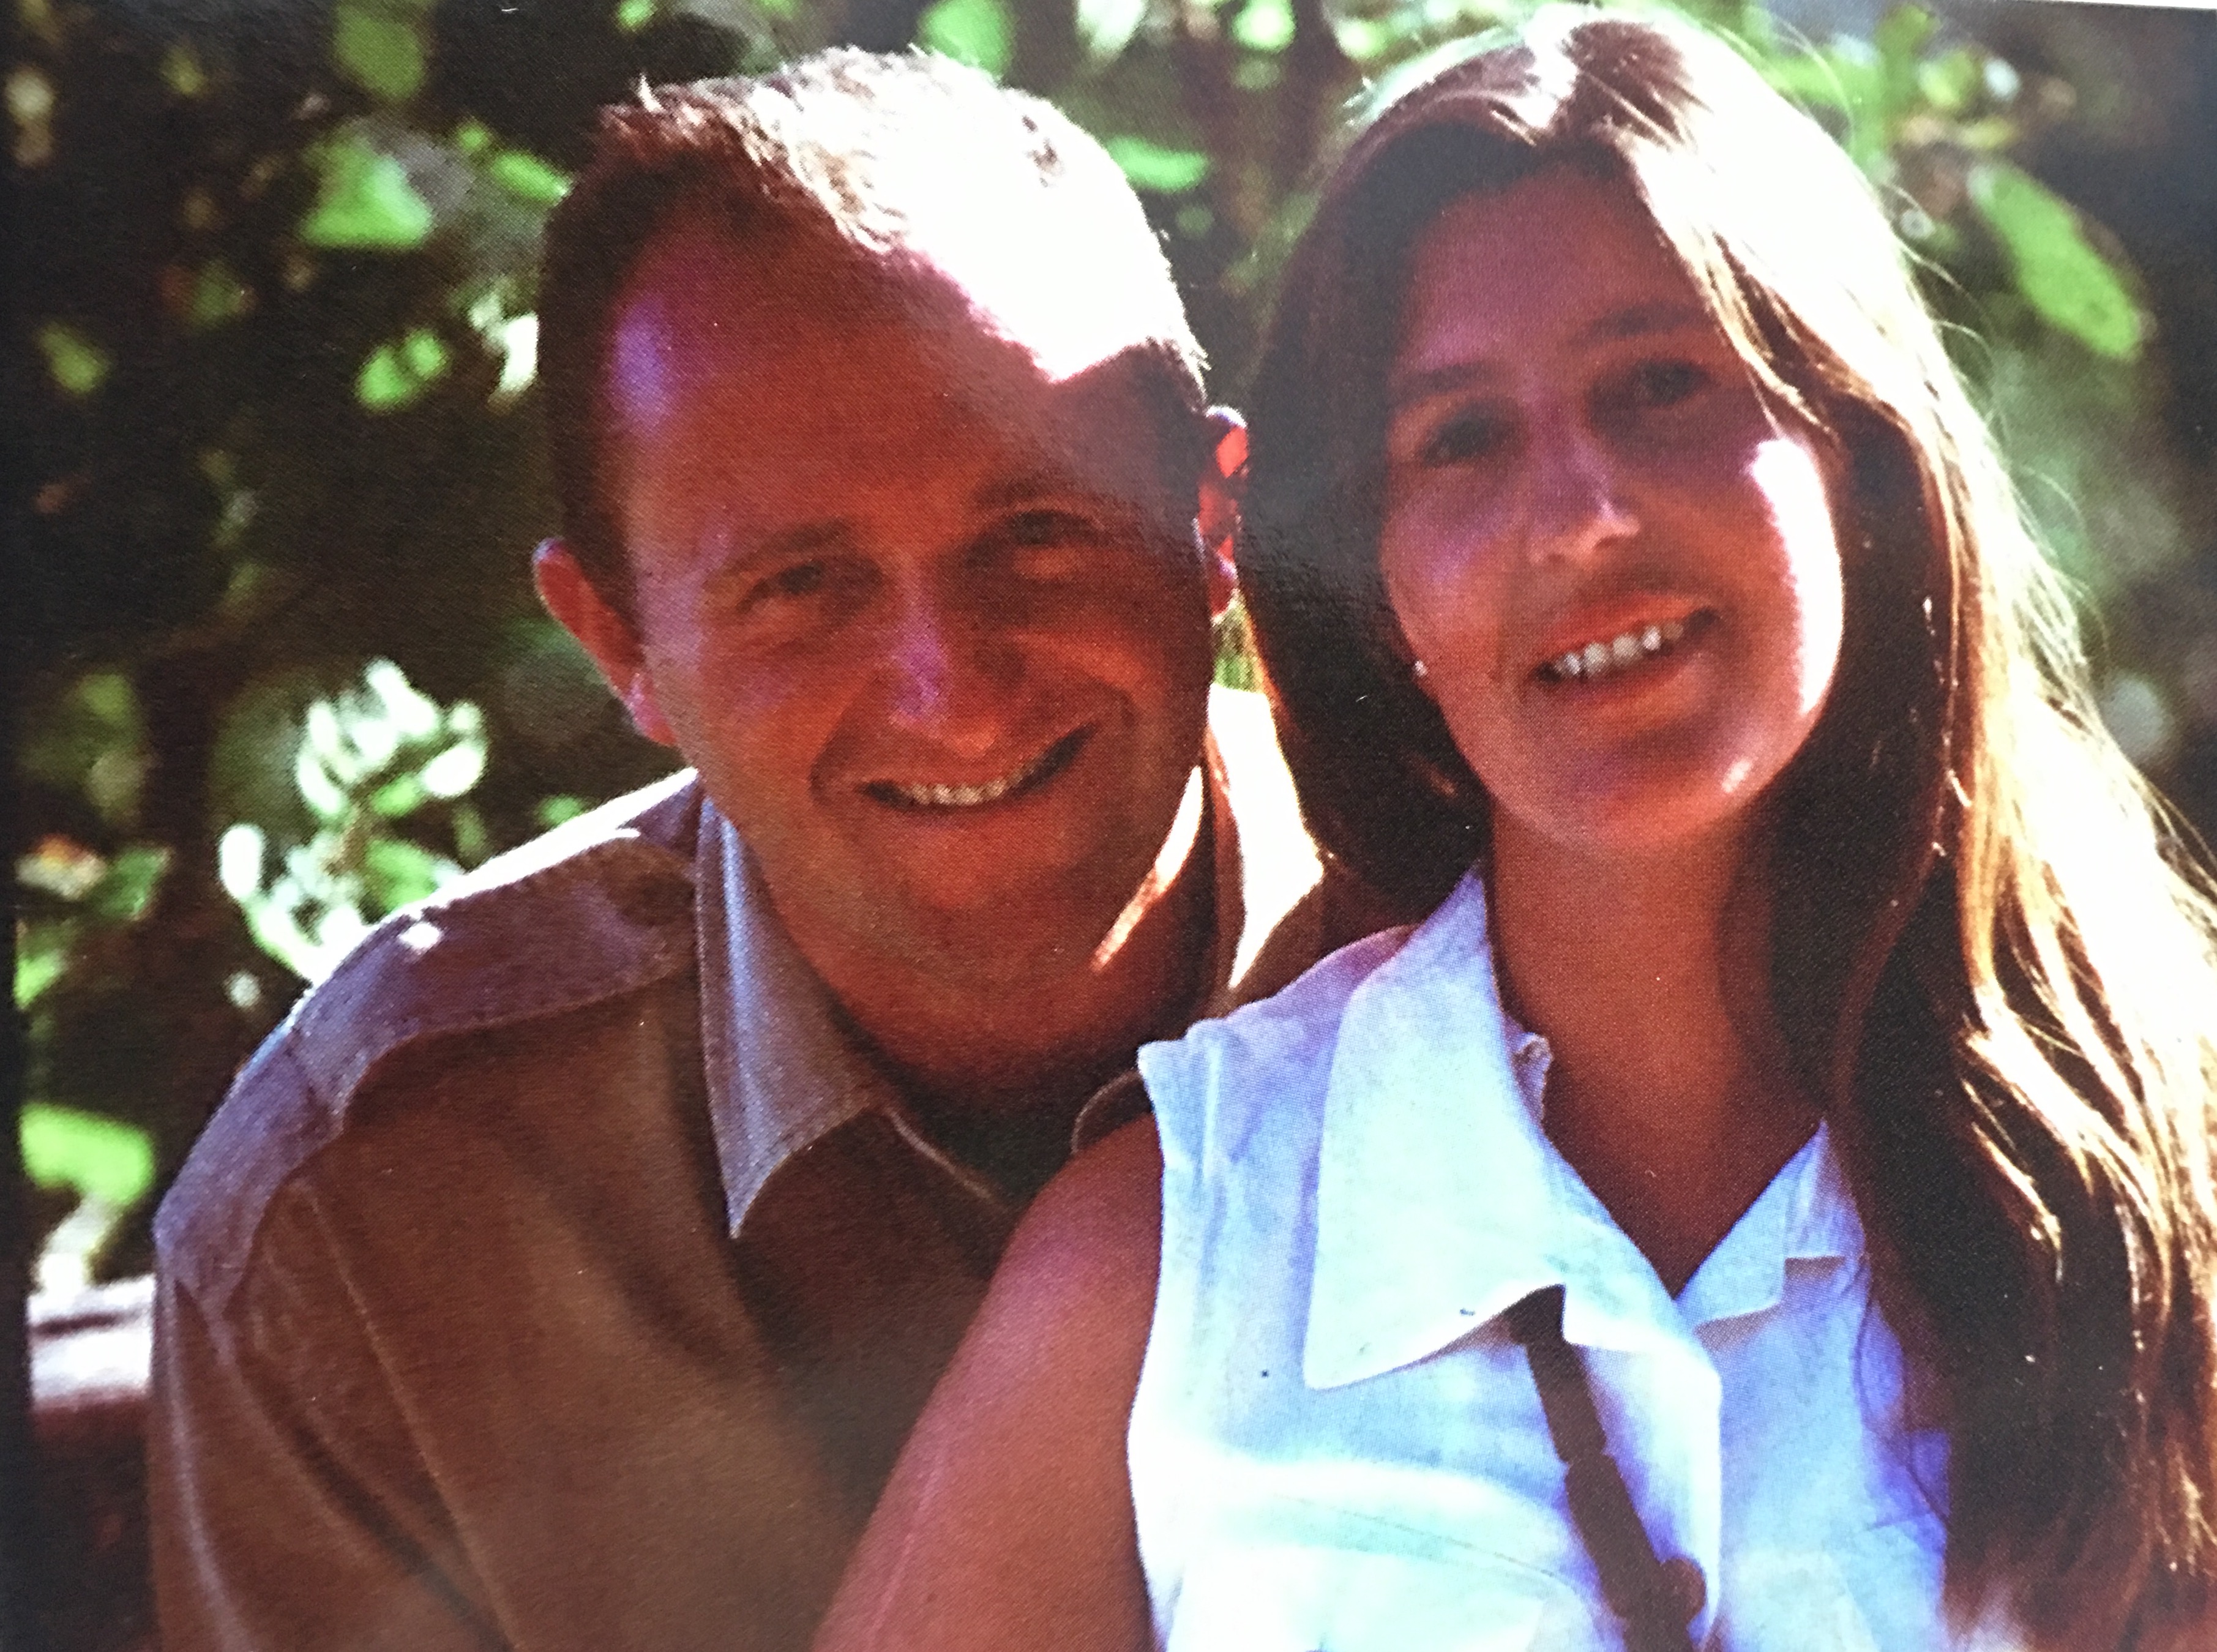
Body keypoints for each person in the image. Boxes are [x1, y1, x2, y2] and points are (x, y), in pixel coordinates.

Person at [813, 12, 2217, 1651]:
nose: (1582, 513)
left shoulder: (2167, 1185)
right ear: (1379, 575)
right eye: (1461, 437)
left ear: (1857, 452)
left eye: (1663, 385)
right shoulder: (1173, 1252)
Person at [147, 51, 1387, 1652]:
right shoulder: (368, 1223)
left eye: (1040, 530)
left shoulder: (1483, 931)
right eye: (804, 584)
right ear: (619, 643)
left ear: (1216, 530)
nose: (954, 689)